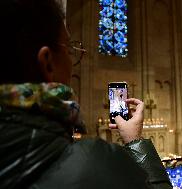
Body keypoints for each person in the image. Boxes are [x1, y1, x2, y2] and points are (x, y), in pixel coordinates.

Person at [0, 0, 172, 189]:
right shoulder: (97, 166)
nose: (73, 60)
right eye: (69, 48)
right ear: (47, 62)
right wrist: (135, 141)